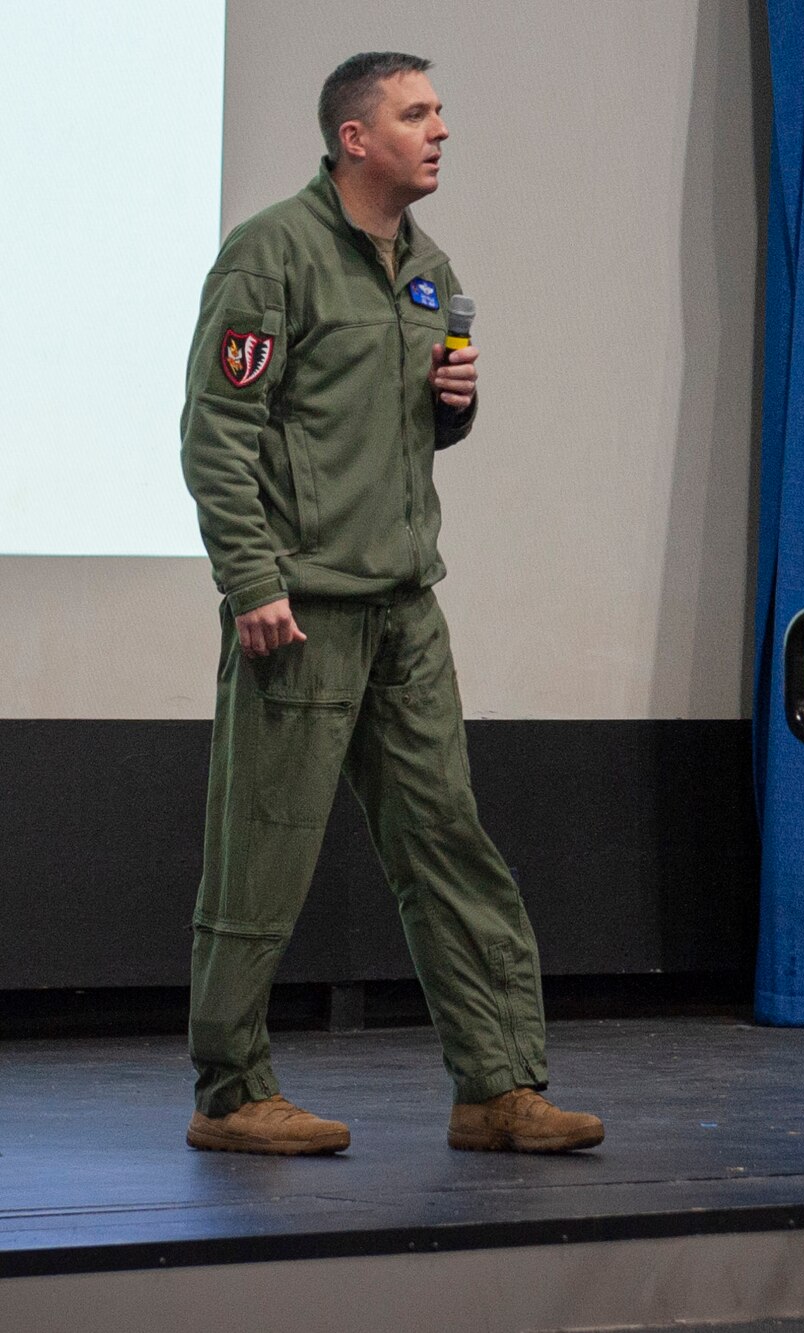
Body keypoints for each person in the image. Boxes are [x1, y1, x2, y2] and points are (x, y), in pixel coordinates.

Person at [178, 51, 601, 1156]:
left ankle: (496, 1086)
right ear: (354, 138)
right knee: (263, 851)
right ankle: (231, 1090)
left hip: (406, 605)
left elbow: (403, 432)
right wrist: (251, 578)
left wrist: (450, 406)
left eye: (441, 111)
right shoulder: (273, 252)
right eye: (418, 113)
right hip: (302, 607)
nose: (441, 129)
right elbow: (217, 432)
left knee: (446, 839)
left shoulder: (428, 267)